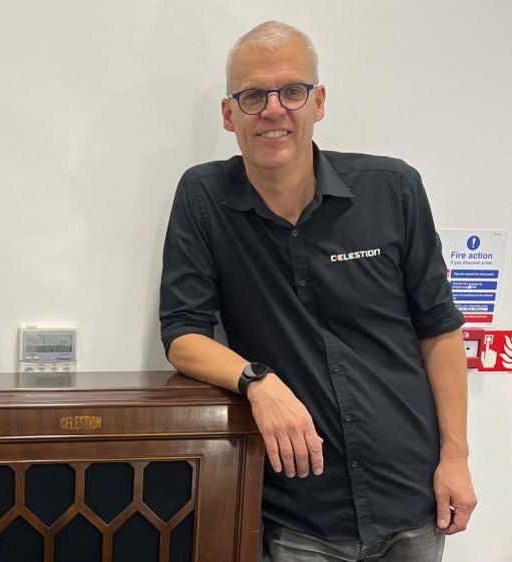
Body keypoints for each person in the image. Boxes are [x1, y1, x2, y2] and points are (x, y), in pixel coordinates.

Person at [159, 21, 475, 561]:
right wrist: (258, 381)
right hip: (299, 514)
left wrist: (456, 457)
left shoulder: (393, 188)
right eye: (254, 95)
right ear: (229, 113)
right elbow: (183, 334)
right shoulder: (204, 198)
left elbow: (440, 331)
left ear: (318, 102)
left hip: (413, 499)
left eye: (293, 91)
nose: (274, 109)